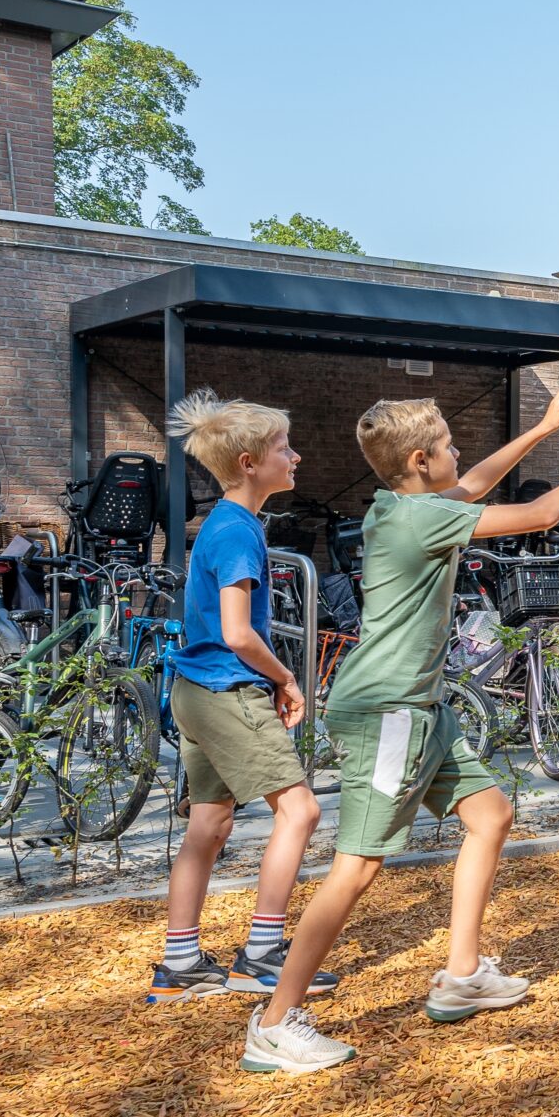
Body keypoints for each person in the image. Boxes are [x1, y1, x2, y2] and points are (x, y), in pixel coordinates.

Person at [239, 388, 559, 1074]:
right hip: (389, 712)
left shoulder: (402, 504)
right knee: (357, 867)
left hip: (422, 705)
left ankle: (462, 973)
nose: (460, 455)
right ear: (421, 461)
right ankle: (275, 1022)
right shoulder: (419, 518)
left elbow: (474, 483)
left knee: (490, 814)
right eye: (449, 445)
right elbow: (539, 513)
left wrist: (542, 430)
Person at [146, 391, 336, 1006]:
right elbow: (238, 633)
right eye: (285, 448)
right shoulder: (237, 533)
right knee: (301, 812)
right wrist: (285, 678)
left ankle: (179, 964)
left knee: (209, 824)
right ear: (251, 462)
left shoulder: (230, 525)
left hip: (195, 692)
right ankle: (260, 955)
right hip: (228, 692)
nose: (296, 456)